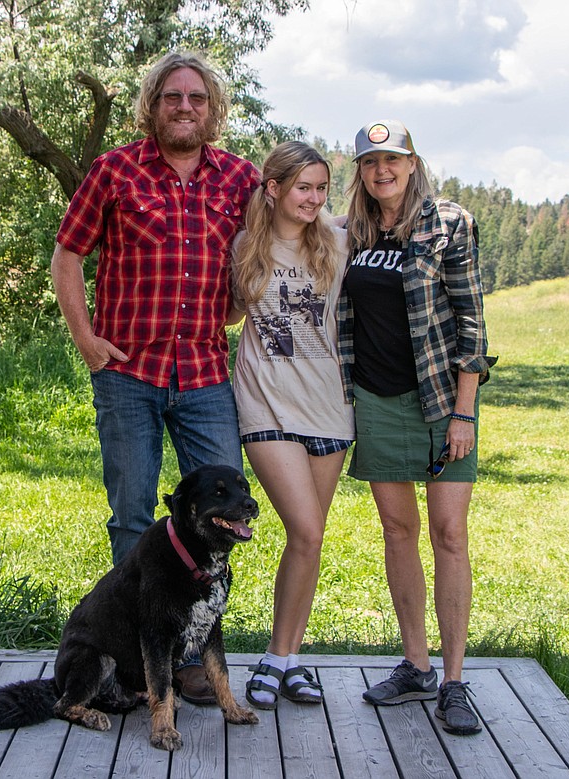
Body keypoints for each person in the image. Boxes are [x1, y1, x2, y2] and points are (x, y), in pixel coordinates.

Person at [50, 51, 261, 706]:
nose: (185, 107)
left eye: (197, 98)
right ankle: (135, 661)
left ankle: (192, 655)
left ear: (213, 109)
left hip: (203, 372)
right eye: (173, 97)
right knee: (134, 512)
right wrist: (86, 340)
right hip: (128, 373)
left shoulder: (240, 179)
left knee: (224, 513)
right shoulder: (114, 170)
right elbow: (66, 255)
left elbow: (269, 250)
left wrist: (233, 308)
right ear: (153, 105)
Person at [341, 120, 496, 736]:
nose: (383, 170)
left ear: (413, 163)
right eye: (372, 161)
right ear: (360, 169)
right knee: (397, 529)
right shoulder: (352, 230)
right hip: (376, 399)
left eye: (394, 159)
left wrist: (464, 412)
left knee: (449, 534)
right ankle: (416, 664)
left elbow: (472, 324)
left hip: (440, 401)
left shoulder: (448, 223)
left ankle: (455, 681)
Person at [229, 141, 353, 710]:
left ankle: (287, 658)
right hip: (267, 406)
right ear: (273, 188)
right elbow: (224, 313)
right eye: (304, 186)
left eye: (322, 188)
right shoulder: (244, 248)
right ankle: (279, 657)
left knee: (309, 541)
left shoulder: (339, 242)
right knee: (305, 528)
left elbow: (394, 218)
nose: (314, 198)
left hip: (331, 409)